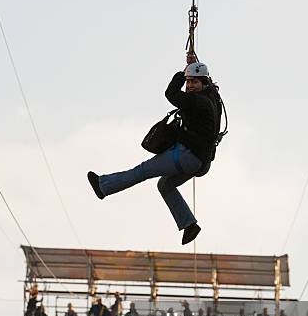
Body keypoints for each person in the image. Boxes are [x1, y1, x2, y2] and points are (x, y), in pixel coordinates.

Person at [87, 60, 222, 245]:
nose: (190, 86)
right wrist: (192, 65)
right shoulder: (214, 98)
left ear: (203, 83)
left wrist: (182, 74)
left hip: (187, 155)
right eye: (189, 81)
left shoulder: (196, 101)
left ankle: (104, 186)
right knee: (165, 185)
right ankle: (189, 224)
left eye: (194, 82)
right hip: (201, 161)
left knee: (143, 170)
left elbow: (171, 94)